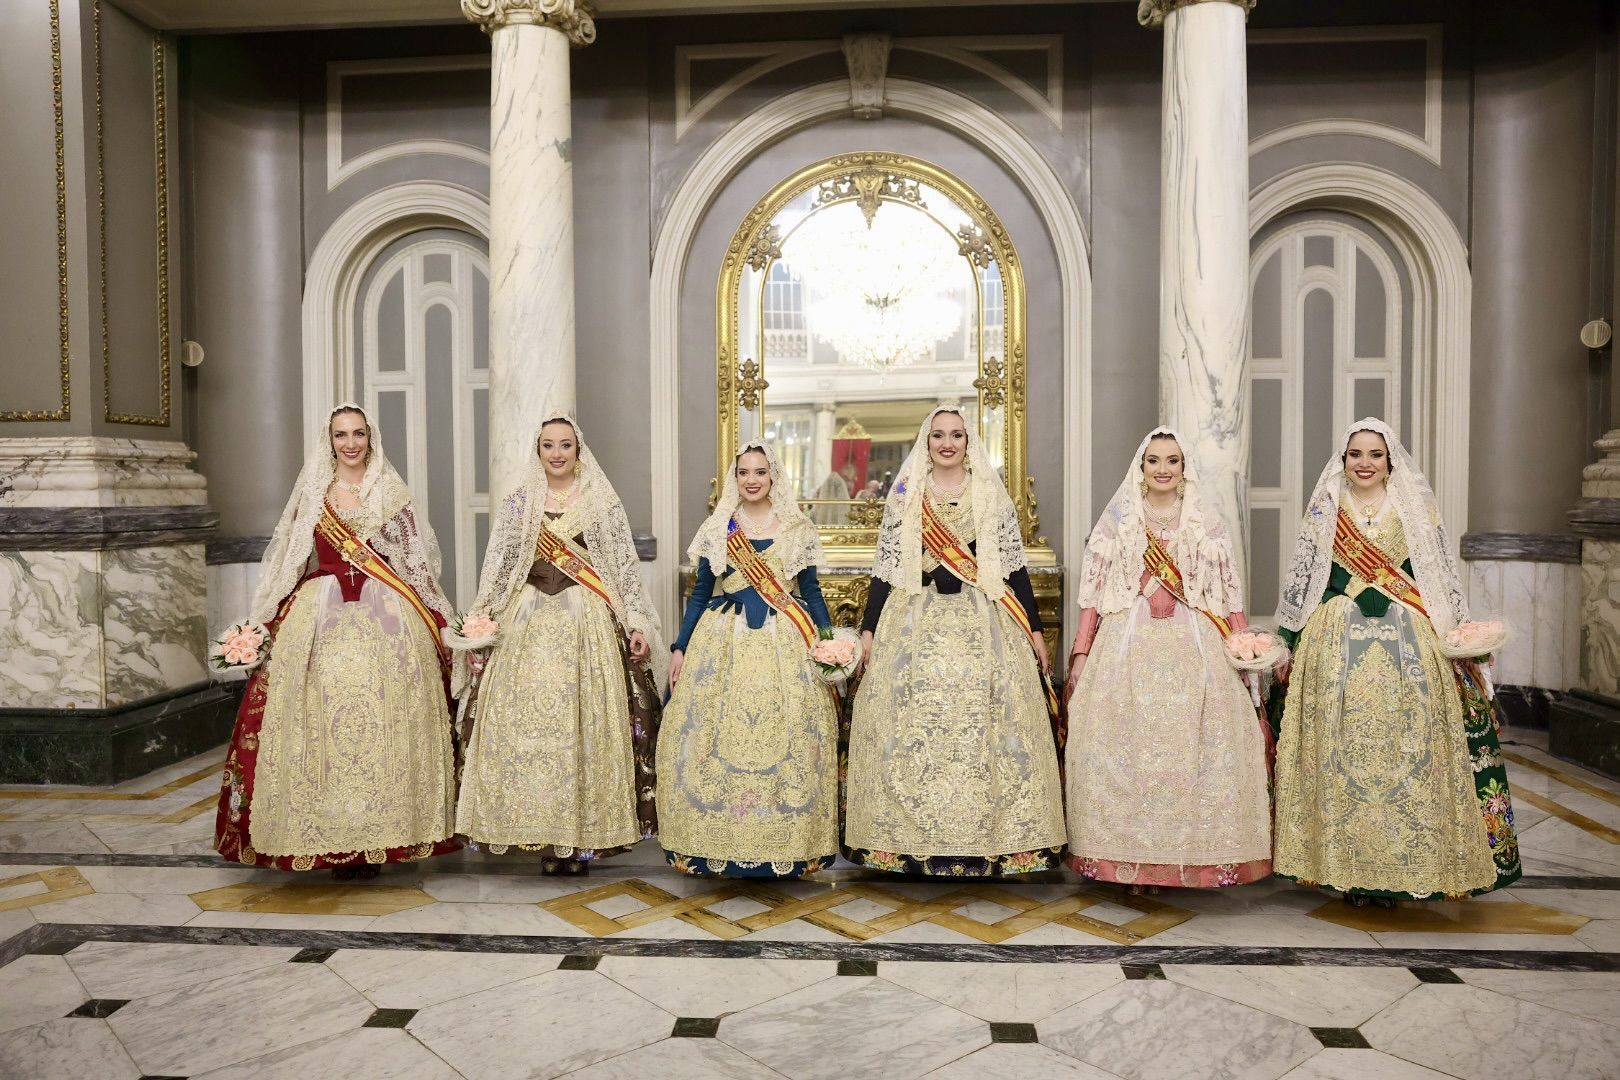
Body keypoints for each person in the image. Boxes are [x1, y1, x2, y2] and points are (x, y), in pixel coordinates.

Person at [1271, 418, 1521, 905]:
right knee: (1339, 750)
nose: (1364, 463)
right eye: (1355, 455)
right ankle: (1345, 867)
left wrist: (1454, 634)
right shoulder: (1326, 508)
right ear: (1343, 461)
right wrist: (1296, 631)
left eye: (1374, 455)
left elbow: (1434, 575)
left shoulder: (1414, 507)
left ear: (1390, 462)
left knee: (1409, 745)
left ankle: (1407, 866)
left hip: (1407, 639)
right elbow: (1308, 579)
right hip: (1335, 639)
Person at [214, 403, 457, 878]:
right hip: (320, 615)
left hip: (386, 615)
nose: (350, 443)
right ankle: (329, 837)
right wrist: (261, 621)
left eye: (359, 434)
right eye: (341, 435)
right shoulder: (313, 491)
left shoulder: (390, 491)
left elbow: (416, 564)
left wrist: (442, 617)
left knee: (385, 719)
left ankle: (380, 838)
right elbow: (289, 559)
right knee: (320, 724)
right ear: (330, 441)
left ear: (372, 438)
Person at [844, 404, 1065, 875]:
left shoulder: (989, 493)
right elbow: (885, 570)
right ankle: (903, 841)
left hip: (983, 617)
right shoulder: (907, 494)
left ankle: (992, 840)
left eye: (957, 435)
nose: (947, 443)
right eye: (939, 435)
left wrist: (1035, 629)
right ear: (926, 442)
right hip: (914, 614)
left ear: (969, 443)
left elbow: (1012, 567)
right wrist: (868, 631)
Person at [453, 415, 662, 875]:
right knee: (531, 729)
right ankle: (540, 836)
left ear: (578, 449)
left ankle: (581, 840)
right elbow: (500, 569)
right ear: (538, 451)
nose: (557, 453)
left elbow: (624, 574)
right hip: (526, 621)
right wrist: (481, 622)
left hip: (585, 620)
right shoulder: (518, 504)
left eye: (565, 444)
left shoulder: (601, 503)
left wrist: (637, 623)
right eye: (548, 445)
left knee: (583, 728)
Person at [1065, 428, 1271, 890]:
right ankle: (1127, 861)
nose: (1162, 469)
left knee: (1194, 749)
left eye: (1172, 461)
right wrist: (1081, 650)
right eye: (1153, 461)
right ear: (1141, 469)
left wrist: (1241, 645)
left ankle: (1187, 861)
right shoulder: (1119, 518)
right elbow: (1094, 591)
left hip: (1193, 640)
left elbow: (1227, 587)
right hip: (1127, 641)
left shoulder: (1204, 520)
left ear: (1184, 469)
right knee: (1125, 745)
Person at [657, 440, 840, 876]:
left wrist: (831, 644)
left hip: (787, 640)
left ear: (773, 476)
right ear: (734, 478)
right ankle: (715, 843)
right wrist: (680, 647)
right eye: (743, 472)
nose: (752, 479)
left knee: (792, 738)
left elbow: (811, 592)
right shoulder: (718, 529)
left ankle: (789, 845)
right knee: (713, 737)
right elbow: (700, 594)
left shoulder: (798, 529)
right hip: (723, 639)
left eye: (760, 472)